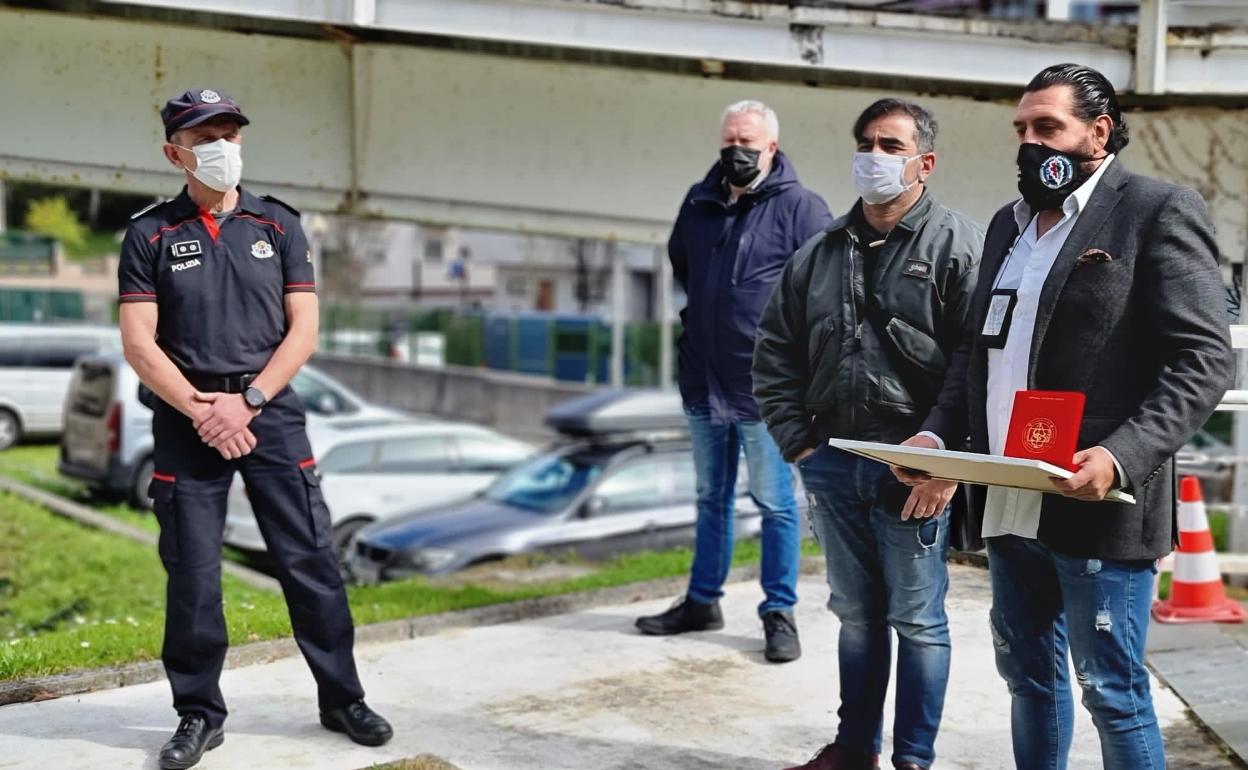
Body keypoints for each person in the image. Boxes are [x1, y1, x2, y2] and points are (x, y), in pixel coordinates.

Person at [896, 63, 1234, 770]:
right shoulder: (1006, 226)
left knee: (1111, 690)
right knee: (1028, 681)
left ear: (1098, 132)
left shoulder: (1156, 211)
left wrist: (1120, 454)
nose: (1029, 142)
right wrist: (935, 435)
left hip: (1097, 500)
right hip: (1010, 496)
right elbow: (976, 352)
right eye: (1021, 129)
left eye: (1047, 127)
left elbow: (1202, 361)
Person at [118, 88, 393, 770]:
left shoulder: (279, 225)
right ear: (173, 152)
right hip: (190, 422)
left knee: (311, 562)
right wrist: (205, 410)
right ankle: (198, 716)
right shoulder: (149, 234)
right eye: (206, 136)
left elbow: (305, 328)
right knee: (194, 576)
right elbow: (139, 344)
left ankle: (342, 698)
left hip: (270, 416)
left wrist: (250, 401)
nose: (222, 147)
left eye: (230, 134)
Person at [754, 99, 983, 770]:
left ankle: (913, 758)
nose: (874, 156)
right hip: (833, 460)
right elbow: (774, 352)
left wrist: (950, 463)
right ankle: (855, 748)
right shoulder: (819, 251)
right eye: (866, 143)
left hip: (915, 469)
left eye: (891, 144)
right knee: (855, 616)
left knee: (917, 618)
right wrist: (799, 441)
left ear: (925, 162)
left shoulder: (960, 249)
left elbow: (979, 370)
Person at [634, 100, 833, 662]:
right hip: (702, 380)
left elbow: (826, 296)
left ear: (771, 146)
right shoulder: (699, 202)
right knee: (709, 497)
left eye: (747, 141)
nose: (736, 151)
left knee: (774, 502)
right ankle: (702, 601)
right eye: (728, 141)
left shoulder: (801, 209)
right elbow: (683, 268)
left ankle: (778, 611)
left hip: (763, 391)